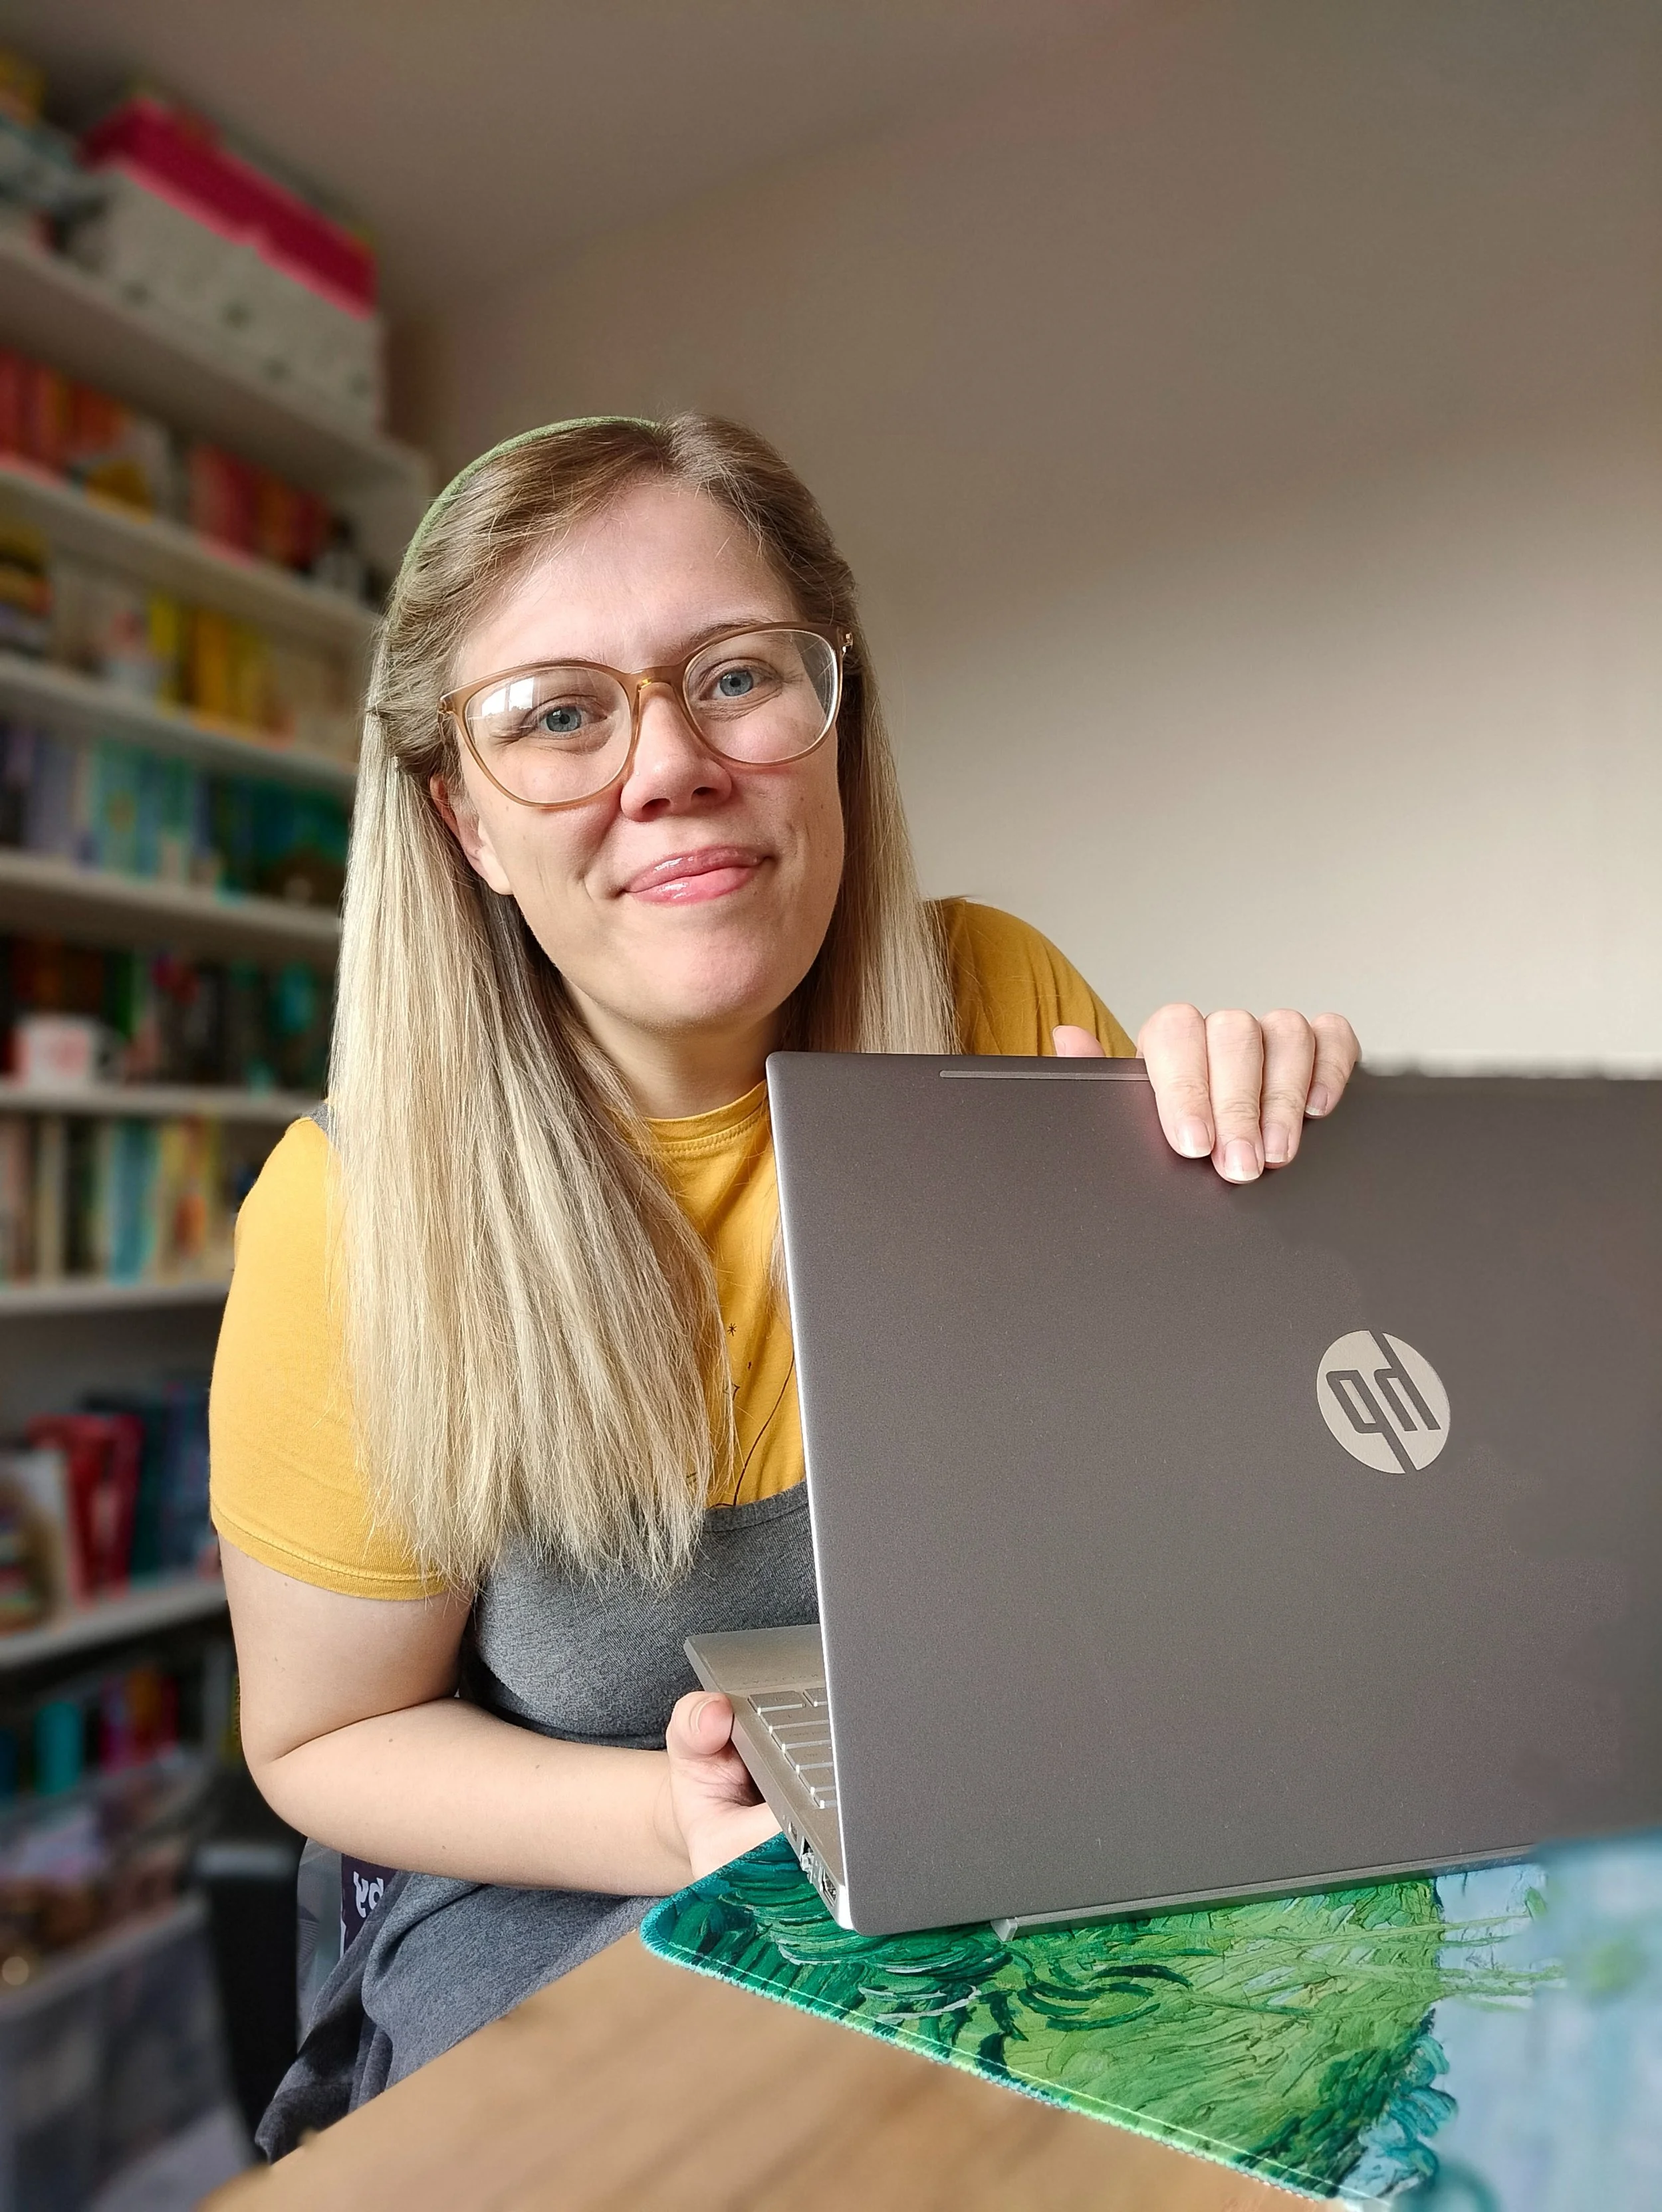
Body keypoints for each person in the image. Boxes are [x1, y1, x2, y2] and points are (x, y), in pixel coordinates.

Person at [209, 415, 1359, 2150]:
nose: (666, 764)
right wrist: (684, 1829)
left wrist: (1276, 1204)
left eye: (732, 676)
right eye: (559, 715)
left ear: (836, 722)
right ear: (460, 818)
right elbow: (323, 1747)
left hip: (1012, 1878)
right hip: (590, 1921)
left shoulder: (992, 996)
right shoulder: (348, 1213)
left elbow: (1190, 1536)